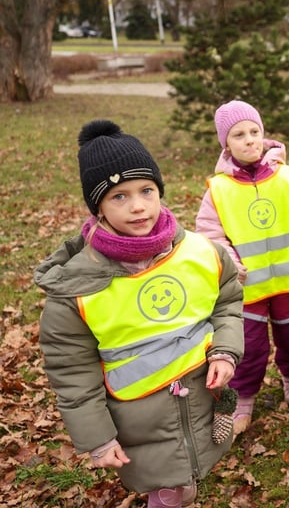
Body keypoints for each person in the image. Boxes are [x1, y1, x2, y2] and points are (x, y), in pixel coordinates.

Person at [35, 120, 244, 508]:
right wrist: (97, 438)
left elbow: (228, 301)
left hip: (202, 397)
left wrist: (226, 351)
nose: (138, 205)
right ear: (97, 206)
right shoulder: (77, 289)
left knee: (191, 464)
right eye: (118, 197)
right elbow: (72, 373)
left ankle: (181, 485)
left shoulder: (199, 252)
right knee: (161, 484)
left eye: (147, 190)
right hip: (137, 419)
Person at [196, 100, 289, 436]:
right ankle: (245, 397)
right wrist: (231, 264)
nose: (249, 139)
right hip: (247, 287)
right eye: (239, 134)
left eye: (255, 131)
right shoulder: (218, 189)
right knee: (249, 346)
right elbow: (210, 235)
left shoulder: (288, 178)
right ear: (226, 144)